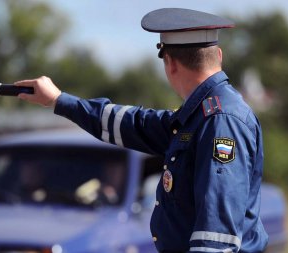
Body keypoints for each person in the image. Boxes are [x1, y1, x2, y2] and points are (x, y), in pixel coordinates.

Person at [14, 8, 268, 253]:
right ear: (219, 56)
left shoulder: (219, 120)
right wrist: (59, 100)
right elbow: (134, 123)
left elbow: (216, 238)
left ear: (170, 63)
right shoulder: (200, 115)